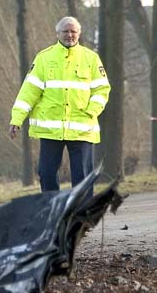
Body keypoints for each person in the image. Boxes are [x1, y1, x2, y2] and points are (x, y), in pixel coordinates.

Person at [8, 16, 110, 192]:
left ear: (79, 33)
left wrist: (91, 111)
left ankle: (81, 214)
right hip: (50, 129)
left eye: (73, 31)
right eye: (66, 31)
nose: (70, 35)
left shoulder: (91, 59)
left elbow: (102, 90)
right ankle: (52, 212)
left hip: (82, 128)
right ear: (57, 34)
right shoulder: (43, 58)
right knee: (46, 173)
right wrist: (16, 119)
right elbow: (29, 91)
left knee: (83, 176)